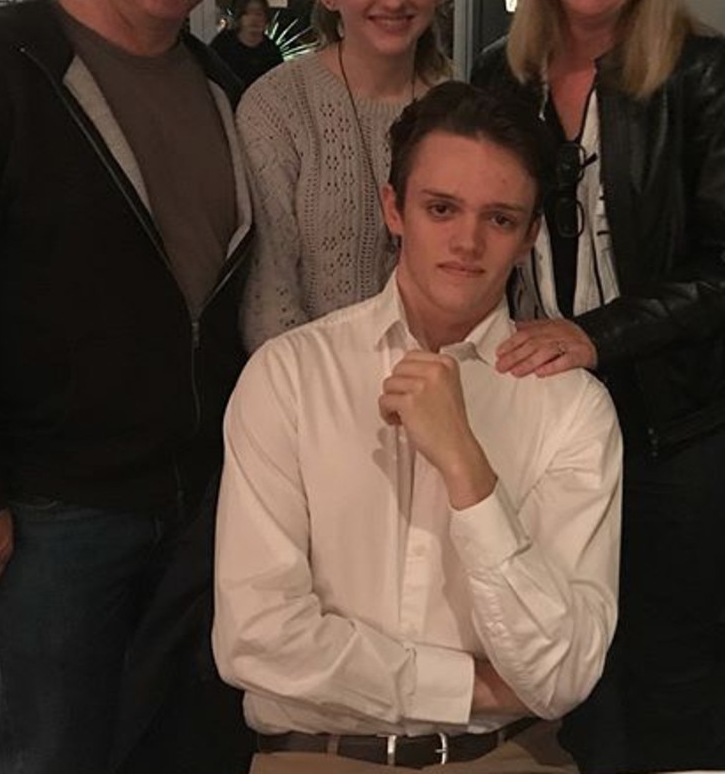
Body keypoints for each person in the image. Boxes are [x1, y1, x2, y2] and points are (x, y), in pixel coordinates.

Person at [0, 0, 254, 774]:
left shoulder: (217, 85)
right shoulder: (0, 67)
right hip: (57, 511)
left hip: (199, 499)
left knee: (180, 745)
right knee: (56, 750)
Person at [214, 82, 622, 774]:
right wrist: (467, 686)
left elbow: (563, 674)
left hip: (506, 755)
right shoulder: (289, 377)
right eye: (441, 209)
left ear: (527, 238)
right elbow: (254, 640)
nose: (466, 241)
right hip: (320, 755)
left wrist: (468, 469)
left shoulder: (571, 407)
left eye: (498, 219)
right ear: (394, 209)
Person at [471, 0, 725, 773]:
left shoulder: (703, 73)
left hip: (675, 420)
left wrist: (593, 335)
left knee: (671, 652)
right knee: (566, 647)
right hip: (542, 410)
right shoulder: (502, 72)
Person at [237, 0, 453, 352]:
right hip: (311, 397)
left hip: (444, 387)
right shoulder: (279, 106)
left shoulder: (459, 111)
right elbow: (268, 300)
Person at [212, 0, 284, 101]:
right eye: (247, 13)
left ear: (266, 18)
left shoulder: (271, 51)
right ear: (240, 17)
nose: (253, 19)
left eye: (258, 14)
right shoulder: (223, 44)